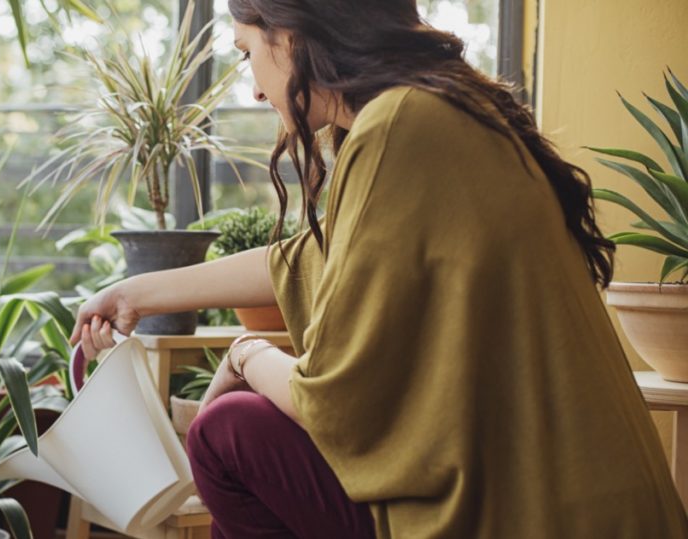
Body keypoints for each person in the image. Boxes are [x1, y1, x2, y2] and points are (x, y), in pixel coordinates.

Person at [67, 1, 688, 537]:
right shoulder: (442, 111)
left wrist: (247, 354)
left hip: (524, 516)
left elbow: (338, 404)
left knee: (226, 429)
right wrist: (136, 292)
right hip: (591, 505)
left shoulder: (399, 127)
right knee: (237, 425)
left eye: (246, 52)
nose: (253, 89)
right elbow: (309, 258)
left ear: (291, 33)